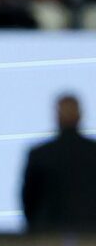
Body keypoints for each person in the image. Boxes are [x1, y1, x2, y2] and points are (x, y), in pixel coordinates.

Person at [22, 94, 96, 233]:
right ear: (80, 116)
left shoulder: (40, 155)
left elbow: (29, 203)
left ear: (56, 117)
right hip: (91, 238)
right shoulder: (93, 152)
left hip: (49, 238)